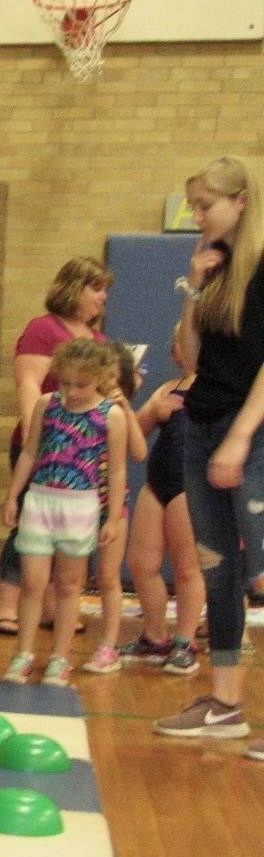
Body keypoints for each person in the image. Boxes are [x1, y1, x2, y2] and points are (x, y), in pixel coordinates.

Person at [152, 156, 264, 760]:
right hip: (203, 422)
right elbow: (190, 357)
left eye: (205, 205)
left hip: (251, 430)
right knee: (217, 567)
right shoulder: (217, 269)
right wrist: (194, 288)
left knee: (262, 569)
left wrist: (242, 435)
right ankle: (224, 705)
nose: (196, 215)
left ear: (242, 200)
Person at [0, 258, 111, 635]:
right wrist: (37, 437)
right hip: (43, 443)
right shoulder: (43, 330)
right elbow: (29, 383)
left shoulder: (98, 341)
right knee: (30, 523)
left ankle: (52, 607)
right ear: (74, 288)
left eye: (105, 289)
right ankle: (9, 604)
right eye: (96, 288)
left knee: (67, 530)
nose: (102, 297)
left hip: (79, 454)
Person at [2, 339, 128, 687]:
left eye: (81, 385)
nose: (71, 392)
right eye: (65, 383)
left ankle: (60, 656)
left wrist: (113, 516)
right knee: (33, 582)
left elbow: (117, 470)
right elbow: (30, 452)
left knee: (70, 585)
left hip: (80, 504)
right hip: (41, 500)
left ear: (101, 378)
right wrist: (14, 496)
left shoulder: (111, 416)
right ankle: (24, 653)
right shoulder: (47, 404)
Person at [118, 324, 202, 675]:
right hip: (158, 482)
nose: (180, 347)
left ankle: (185, 640)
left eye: (190, 340)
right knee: (142, 563)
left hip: (191, 484)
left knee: (186, 568)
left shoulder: (218, 390)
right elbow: (134, 436)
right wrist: (139, 406)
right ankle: (155, 635)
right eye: (177, 342)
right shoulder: (168, 388)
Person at [80, 342, 149, 674]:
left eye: (113, 381)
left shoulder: (119, 411)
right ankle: (62, 646)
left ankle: (108, 645)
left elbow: (138, 453)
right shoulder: (79, 406)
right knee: (72, 576)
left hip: (111, 504)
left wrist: (126, 409)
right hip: (74, 500)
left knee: (108, 575)